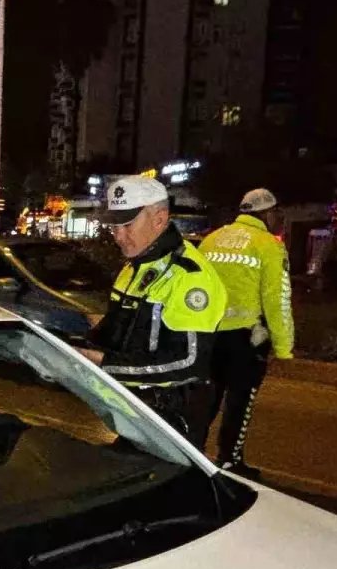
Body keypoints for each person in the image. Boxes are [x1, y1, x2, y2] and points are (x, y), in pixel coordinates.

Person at [76, 176, 227, 447]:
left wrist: (106, 362)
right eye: (114, 226)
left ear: (159, 218)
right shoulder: (133, 268)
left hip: (172, 420)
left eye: (127, 225)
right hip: (136, 412)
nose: (118, 236)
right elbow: (115, 332)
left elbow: (187, 362)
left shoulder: (189, 276)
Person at [200, 188, 295, 477]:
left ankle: (189, 450)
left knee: (205, 398)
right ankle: (230, 460)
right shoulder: (268, 246)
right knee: (239, 401)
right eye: (277, 213)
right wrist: (284, 348)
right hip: (247, 338)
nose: (279, 218)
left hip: (207, 335)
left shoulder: (211, 239)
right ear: (267, 213)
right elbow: (277, 300)